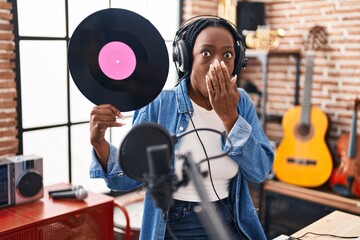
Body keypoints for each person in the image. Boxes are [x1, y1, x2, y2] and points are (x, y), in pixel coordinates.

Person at [89, 16, 274, 240]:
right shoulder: (159, 103)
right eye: (206, 53)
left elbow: (260, 171)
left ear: (238, 60)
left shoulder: (241, 102)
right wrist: (99, 142)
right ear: (185, 59)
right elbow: (128, 178)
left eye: (227, 55)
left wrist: (230, 118)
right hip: (177, 222)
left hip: (232, 218)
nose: (218, 64)